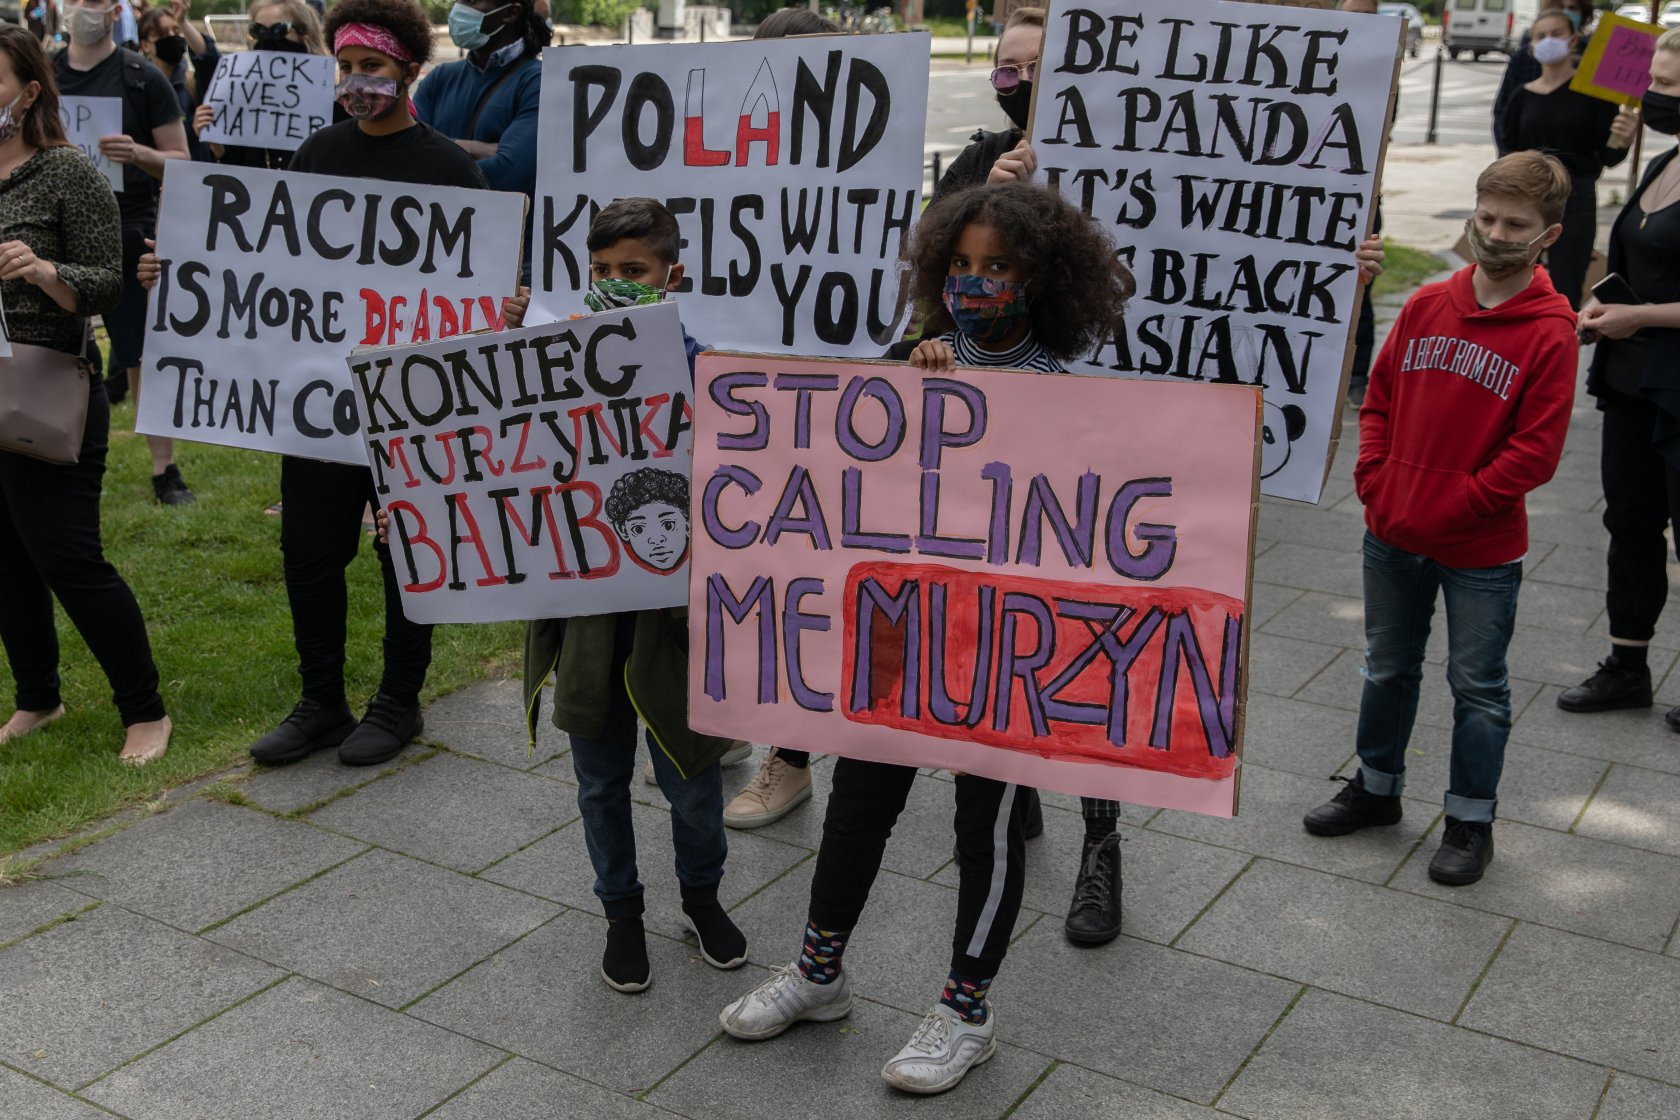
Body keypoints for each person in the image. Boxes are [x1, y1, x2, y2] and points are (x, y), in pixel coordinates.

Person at [718, 182, 1134, 1096]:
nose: (974, 284)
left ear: (1042, 281)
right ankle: (819, 973)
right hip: (900, 636)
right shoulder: (909, 361)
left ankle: (965, 1009)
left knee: (984, 825)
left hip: (998, 649)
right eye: (960, 266)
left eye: (998, 268)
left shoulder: (1062, 396)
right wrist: (906, 388)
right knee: (860, 799)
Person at [1302, 151, 1579, 887]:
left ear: (1547, 235)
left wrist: (1458, 503)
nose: (1495, 233)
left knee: (1478, 685)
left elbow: (1535, 453)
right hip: (1392, 528)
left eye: (1515, 224)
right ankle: (1377, 787)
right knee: (1386, 667)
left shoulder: (1550, 331)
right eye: (1487, 217)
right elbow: (1382, 394)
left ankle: (1469, 818)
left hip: (1481, 549)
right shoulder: (1427, 304)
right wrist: (1374, 477)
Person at [237, 0, 492, 769]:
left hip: (408, 403)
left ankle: (398, 701)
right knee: (308, 552)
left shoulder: (450, 168)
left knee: (405, 550)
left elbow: (473, 286)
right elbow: (279, 267)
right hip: (323, 400)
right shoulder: (317, 153)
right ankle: (321, 702)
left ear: (407, 69)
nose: (356, 83)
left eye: (371, 68)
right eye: (346, 68)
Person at [522, 197, 748, 994]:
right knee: (598, 779)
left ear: (671, 275)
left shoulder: (709, 369)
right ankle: (620, 910)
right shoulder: (551, 361)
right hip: (590, 618)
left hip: (673, 621)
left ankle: (702, 897)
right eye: (605, 271)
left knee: (692, 779)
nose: (618, 284)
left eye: (636, 272)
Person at [0, 24, 171, 765]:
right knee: (5, 557)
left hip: (47, 390)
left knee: (68, 557)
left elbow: (105, 284)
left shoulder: (68, 173)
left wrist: (41, 270)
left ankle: (146, 712)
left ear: (28, 91)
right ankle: (38, 697)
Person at [713, 4, 843, 831]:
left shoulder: (875, 171)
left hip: (826, 408)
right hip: (729, 400)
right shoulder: (717, 172)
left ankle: (789, 760)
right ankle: (724, 711)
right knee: (731, 567)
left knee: (801, 581)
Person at [1556, 31, 1680, 726]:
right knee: (1630, 520)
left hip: (1673, 379)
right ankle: (1625, 665)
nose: (1654, 95)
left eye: (1671, 86)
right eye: (1653, 80)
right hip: (1632, 378)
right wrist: (1608, 309)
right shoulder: (1663, 158)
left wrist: (1644, 317)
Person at [54, 0, 193, 504]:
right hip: (54, 231)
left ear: (115, 10)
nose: (81, 10)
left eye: (91, 2)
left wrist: (139, 154)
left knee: (139, 352)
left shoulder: (141, 76)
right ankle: (47, 453)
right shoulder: (40, 74)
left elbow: (182, 159)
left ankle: (164, 468)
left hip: (126, 229)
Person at [1498, 8, 1636, 310]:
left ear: (1573, 40)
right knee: (1514, 287)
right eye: (1541, 36)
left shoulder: (1596, 96)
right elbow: (1507, 150)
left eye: (1556, 34)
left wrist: (1624, 139)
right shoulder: (1522, 96)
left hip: (1576, 203)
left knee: (1565, 289)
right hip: (1526, 202)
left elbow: (1609, 154)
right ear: (1532, 45)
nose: (1549, 41)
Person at [412, 0, 543, 283]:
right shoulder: (440, 78)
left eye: (471, 1)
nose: (459, 9)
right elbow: (406, 154)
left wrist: (433, 149)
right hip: (434, 253)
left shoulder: (538, 81)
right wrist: (477, 148)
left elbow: (508, 174)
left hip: (510, 261)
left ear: (510, 12)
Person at [1493, 0, 1596, 154]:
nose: (1565, 12)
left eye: (1572, 8)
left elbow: (1602, 135)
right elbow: (1503, 114)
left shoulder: (1593, 58)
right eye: (1560, 8)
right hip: (1525, 168)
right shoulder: (1522, 64)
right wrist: (1509, 160)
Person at [137, 0, 216, 162]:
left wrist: (183, 21)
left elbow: (209, 61)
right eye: (162, 34)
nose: (172, 38)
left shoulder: (191, 84)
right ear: (145, 45)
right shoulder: (136, 87)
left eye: (176, 31)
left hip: (192, 178)